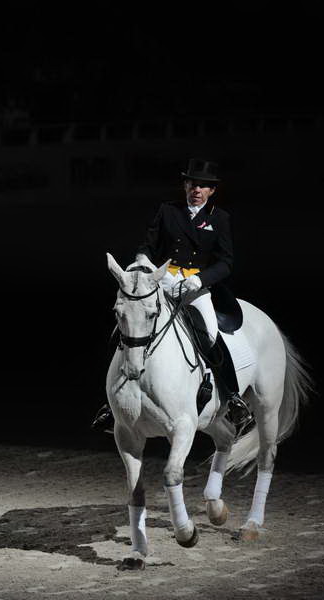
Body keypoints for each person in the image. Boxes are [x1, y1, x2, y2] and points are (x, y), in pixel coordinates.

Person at [93, 158, 251, 432]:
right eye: (192, 184)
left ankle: (233, 398)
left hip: (196, 287)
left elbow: (226, 262)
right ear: (185, 185)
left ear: (211, 191)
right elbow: (149, 245)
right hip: (163, 281)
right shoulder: (168, 211)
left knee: (210, 334)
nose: (196, 190)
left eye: (203, 186)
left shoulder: (219, 218)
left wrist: (199, 280)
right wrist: (142, 260)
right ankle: (111, 403)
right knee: (123, 329)